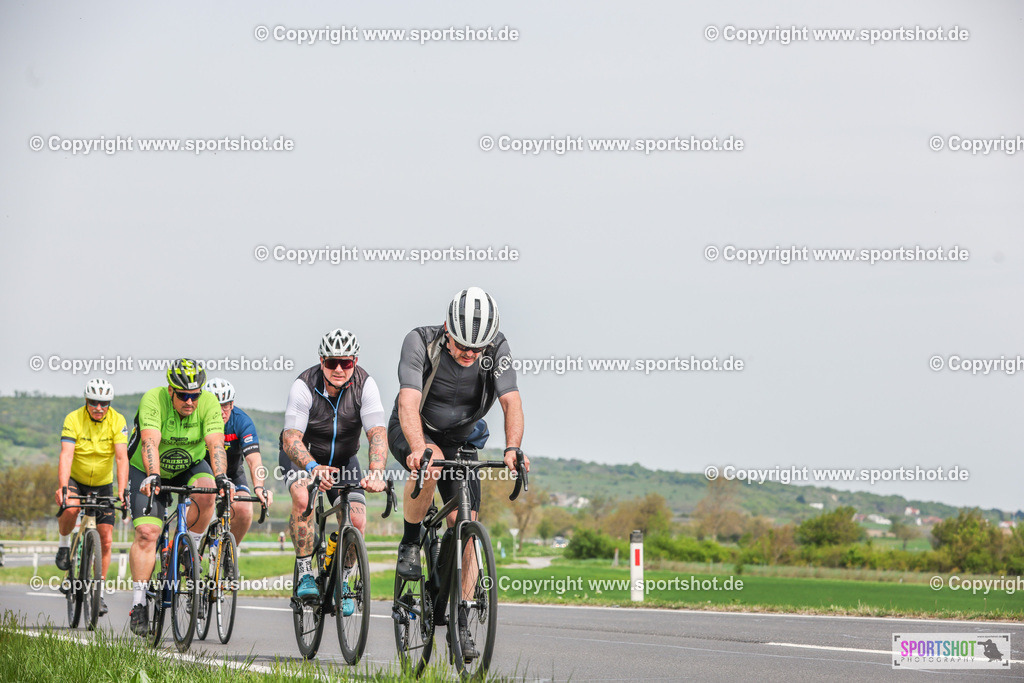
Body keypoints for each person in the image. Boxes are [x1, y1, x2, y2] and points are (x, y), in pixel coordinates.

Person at [390, 286, 528, 659]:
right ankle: (410, 539)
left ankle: (462, 618)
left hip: (464, 437)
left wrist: (513, 447)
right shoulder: (420, 341)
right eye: (462, 345)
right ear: (448, 327)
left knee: (465, 524)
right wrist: (419, 448)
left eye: (476, 349)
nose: (469, 355)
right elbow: (408, 401)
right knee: (431, 460)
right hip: (416, 428)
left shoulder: (496, 349)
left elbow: (511, 400)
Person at [281, 329, 388, 613]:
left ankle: (342, 579)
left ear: (354, 360)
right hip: (304, 456)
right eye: (331, 363)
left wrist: (376, 471)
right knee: (303, 499)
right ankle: (305, 571)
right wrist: (312, 467)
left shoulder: (366, 386)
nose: (339, 369)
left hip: (343, 459)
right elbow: (291, 437)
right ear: (321, 361)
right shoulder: (304, 386)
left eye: (346, 363)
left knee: (357, 519)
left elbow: (376, 432)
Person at [125, 359, 232, 636]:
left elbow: (215, 444)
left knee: (208, 491)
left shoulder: (207, 403)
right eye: (183, 395)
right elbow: (150, 440)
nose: (189, 401)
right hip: (148, 468)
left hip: (189, 465)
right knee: (147, 533)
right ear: (170, 390)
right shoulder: (154, 399)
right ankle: (138, 604)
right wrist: (153, 475)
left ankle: (189, 551)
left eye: (194, 395)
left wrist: (221, 477)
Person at [54, 378, 129, 618]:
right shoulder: (73, 419)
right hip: (77, 479)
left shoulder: (117, 420)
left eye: (104, 403)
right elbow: (66, 455)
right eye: (94, 402)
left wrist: (122, 490)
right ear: (86, 401)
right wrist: (64, 487)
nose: (99, 408)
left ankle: (100, 593)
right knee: (70, 508)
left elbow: (121, 458)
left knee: (106, 540)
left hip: (103, 484)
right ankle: (64, 546)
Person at [202, 378, 272, 544]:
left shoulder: (241, 421)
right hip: (203, 471)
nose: (221, 412)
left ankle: (229, 553)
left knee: (245, 510)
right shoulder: (197, 419)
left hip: (232, 472)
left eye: (225, 405)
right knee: (198, 505)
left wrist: (259, 487)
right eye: (215, 405)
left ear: (232, 404)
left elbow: (254, 461)